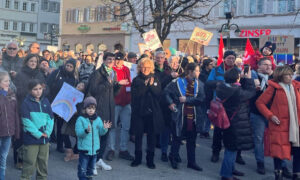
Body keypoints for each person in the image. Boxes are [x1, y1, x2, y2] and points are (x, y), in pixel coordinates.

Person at [256, 66, 300, 180]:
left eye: (291, 74)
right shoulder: (274, 88)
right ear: (281, 76)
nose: (291, 76)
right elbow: (260, 103)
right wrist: (270, 116)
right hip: (279, 124)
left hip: (295, 124)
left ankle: (296, 174)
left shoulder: (295, 86)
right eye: (288, 75)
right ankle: (278, 175)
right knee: (278, 151)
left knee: (297, 151)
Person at [206, 50, 246, 166]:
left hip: (234, 105)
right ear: (224, 59)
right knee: (218, 130)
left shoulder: (238, 71)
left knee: (236, 132)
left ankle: (238, 155)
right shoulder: (216, 70)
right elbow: (208, 83)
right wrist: (220, 83)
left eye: (233, 58)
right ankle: (215, 152)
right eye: (229, 58)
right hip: (220, 103)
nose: (231, 60)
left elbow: (242, 86)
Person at [164, 63, 205, 171]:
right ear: (190, 71)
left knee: (192, 140)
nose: (198, 72)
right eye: (196, 70)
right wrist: (170, 103)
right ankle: (173, 157)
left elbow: (201, 99)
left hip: (194, 116)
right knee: (177, 137)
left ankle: (191, 162)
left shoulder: (200, 84)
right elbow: (166, 92)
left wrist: (187, 100)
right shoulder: (177, 82)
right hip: (179, 114)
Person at [217, 67, 256, 180]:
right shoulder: (236, 91)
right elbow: (250, 93)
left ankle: (230, 169)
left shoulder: (224, 87)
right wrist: (249, 79)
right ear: (237, 78)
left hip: (227, 121)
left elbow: (241, 90)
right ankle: (226, 174)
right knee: (231, 149)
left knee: (231, 148)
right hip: (235, 123)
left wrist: (242, 80)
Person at [87, 52, 121, 171]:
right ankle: (92, 161)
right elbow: (94, 90)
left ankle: (99, 159)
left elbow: (114, 93)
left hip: (110, 107)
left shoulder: (113, 73)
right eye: (109, 59)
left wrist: (117, 86)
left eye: (113, 59)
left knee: (105, 135)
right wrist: (107, 83)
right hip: (100, 108)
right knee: (96, 136)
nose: (111, 61)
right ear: (104, 60)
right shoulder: (97, 73)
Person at [130, 58, 164, 169]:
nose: (145, 69)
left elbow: (158, 93)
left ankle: (150, 160)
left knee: (152, 137)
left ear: (151, 68)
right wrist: (145, 86)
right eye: (143, 67)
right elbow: (136, 95)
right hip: (139, 112)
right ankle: (137, 158)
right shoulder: (136, 80)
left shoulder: (156, 79)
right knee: (138, 136)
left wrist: (150, 85)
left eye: (148, 67)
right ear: (140, 68)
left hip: (152, 113)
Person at [20, 79, 54, 180]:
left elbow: (51, 118)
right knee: (29, 163)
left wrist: (47, 132)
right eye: (35, 89)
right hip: (31, 139)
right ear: (30, 90)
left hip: (45, 139)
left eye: (40, 88)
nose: (38, 91)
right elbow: (26, 122)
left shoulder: (46, 101)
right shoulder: (26, 103)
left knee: (43, 164)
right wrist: (38, 134)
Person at [75, 96, 112, 180]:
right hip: (84, 150)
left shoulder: (98, 119)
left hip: (94, 151)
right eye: (89, 108)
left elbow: (101, 133)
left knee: (91, 170)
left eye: (93, 108)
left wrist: (105, 128)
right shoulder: (80, 119)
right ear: (85, 108)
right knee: (82, 169)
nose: (91, 110)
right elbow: (78, 133)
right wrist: (85, 131)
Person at [47, 59, 78, 155]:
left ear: (73, 68)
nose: (68, 68)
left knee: (60, 126)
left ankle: (60, 145)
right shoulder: (57, 72)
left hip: (63, 105)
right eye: (67, 65)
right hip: (52, 101)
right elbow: (48, 84)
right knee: (50, 125)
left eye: (70, 67)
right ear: (65, 65)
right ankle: (46, 145)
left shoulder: (75, 78)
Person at [106, 52, 133, 161]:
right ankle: (111, 149)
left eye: (120, 59)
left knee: (125, 127)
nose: (118, 61)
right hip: (115, 102)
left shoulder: (126, 69)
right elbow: (109, 85)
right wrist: (118, 84)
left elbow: (129, 82)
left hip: (126, 102)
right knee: (112, 127)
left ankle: (123, 149)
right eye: (116, 59)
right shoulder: (111, 70)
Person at [0, 71, 20, 180]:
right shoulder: (3, 95)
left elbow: (15, 113)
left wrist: (16, 132)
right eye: (5, 81)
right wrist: (3, 95)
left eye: (9, 80)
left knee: (3, 157)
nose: (8, 83)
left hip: (8, 132)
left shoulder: (12, 94)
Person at [199, 58, 214, 138]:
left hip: (211, 97)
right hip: (204, 97)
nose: (212, 66)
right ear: (206, 66)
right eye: (211, 64)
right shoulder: (202, 75)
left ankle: (206, 130)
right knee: (203, 114)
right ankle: (202, 130)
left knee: (209, 115)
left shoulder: (213, 73)